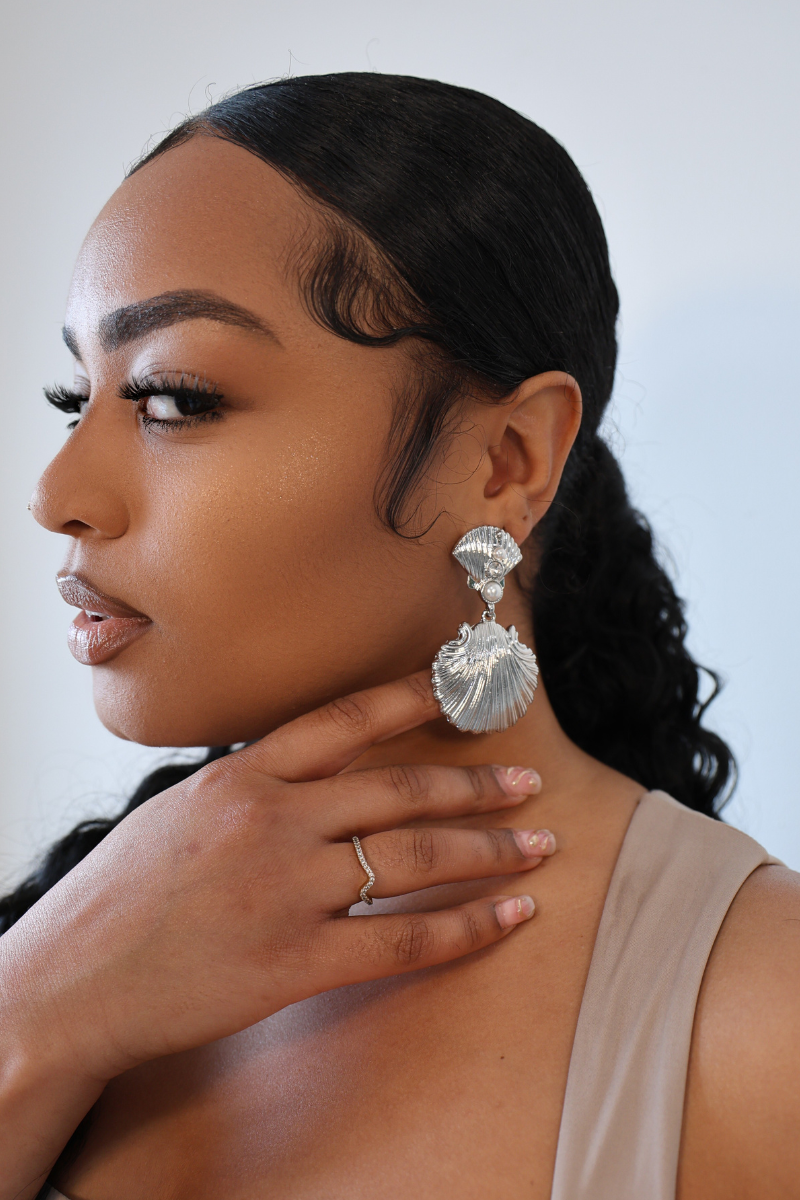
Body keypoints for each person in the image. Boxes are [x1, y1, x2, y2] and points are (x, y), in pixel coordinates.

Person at [0, 73, 797, 1200]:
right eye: (73, 395)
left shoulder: (761, 1014)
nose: (56, 494)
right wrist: (35, 1010)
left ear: (506, 461)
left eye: (174, 396)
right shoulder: (69, 938)